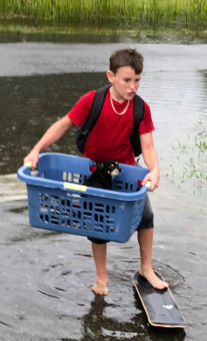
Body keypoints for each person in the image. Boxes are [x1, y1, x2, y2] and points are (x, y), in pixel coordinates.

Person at [23, 48, 167, 295]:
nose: (133, 87)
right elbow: (62, 125)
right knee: (97, 225)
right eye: (126, 80)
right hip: (94, 171)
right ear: (111, 76)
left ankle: (146, 268)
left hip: (126, 172)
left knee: (146, 216)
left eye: (137, 80)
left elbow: (148, 145)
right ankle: (101, 277)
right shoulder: (93, 100)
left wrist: (154, 170)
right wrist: (36, 150)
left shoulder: (140, 109)